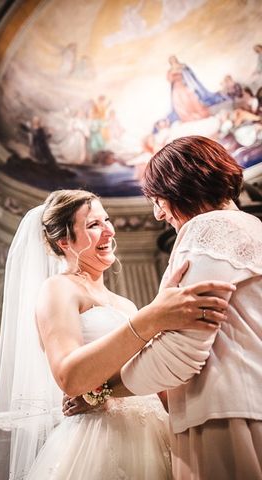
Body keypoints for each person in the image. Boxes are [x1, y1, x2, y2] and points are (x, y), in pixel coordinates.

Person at [0, 189, 235, 479]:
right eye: (94, 225)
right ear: (64, 241)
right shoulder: (59, 289)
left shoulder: (125, 304)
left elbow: (156, 379)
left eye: (106, 220)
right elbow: (69, 376)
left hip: (156, 431)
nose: (109, 230)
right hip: (101, 438)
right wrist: (151, 320)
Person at [115, 136, 262, 479]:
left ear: (179, 186)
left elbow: (182, 351)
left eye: (157, 199)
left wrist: (105, 389)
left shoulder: (206, 228)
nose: (157, 213)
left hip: (226, 417)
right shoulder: (254, 227)